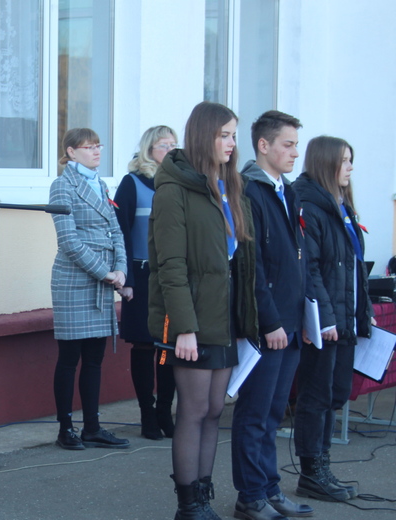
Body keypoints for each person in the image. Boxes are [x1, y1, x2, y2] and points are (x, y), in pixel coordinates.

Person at [147, 101, 257, 519]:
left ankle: (205, 496)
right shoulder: (174, 189)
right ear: (203, 135)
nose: (231, 143)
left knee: (214, 410)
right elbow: (169, 266)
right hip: (191, 320)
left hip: (223, 318)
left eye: (233, 135)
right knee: (192, 411)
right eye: (224, 135)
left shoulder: (228, 187)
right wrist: (184, 330)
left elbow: (238, 261)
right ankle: (188, 504)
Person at [232, 111, 314, 520]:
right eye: (287, 144)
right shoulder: (249, 190)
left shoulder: (286, 190)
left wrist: (308, 319)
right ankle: (250, 497)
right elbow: (253, 266)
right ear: (263, 145)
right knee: (255, 413)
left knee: (272, 414)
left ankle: (269, 489)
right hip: (270, 326)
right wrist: (270, 321)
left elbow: (298, 258)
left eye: (297, 144)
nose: (295, 152)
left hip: (293, 324)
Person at [292, 136, 375, 502]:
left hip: (344, 319)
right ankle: (313, 470)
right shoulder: (309, 205)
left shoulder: (340, 206)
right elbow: (309, 270)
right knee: (317, 396)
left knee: (337, 393)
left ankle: (321, 463)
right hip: (324, 322)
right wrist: (324, 319)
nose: (350, 167)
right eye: (345, 160)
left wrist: (363, 313)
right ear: (326, 162)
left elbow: (354, 268)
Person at [49, 128, 130, 451]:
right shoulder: (62, 186)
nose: (96, 151)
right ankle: (65, 427)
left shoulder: (101, 184)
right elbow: (68, 240)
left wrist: (122, 269)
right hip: (74, 281)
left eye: (98, 146)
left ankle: (93, 427)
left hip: (105, 278)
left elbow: (116, 232)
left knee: (95, 358)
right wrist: (106, 274)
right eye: (88, 147)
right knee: (70, 357)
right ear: (71, 152)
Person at [114, 125, 178, 440]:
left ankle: (166, 411)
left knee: (170, 348)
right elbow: (120, 233)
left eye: (174, 145)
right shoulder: (132, 183)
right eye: (164, 145)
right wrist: (124, 277)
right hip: (141, 277)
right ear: (149, 149)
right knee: (144, 346)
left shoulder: (179, 184)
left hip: (173, 278)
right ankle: (147, 414)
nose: (170, 150)